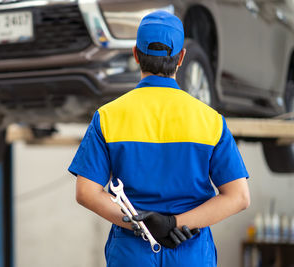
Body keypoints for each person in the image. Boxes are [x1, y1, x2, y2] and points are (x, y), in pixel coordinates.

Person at [68, 10, 250, 267]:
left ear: (135, 55)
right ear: (181, 58)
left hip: (131, 253)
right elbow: (239, 197)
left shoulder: (108, 117)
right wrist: (175, 224)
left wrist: (143, 226)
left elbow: (86, 192)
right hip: (189, 250)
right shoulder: (210, 120)